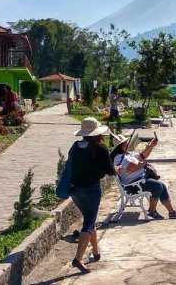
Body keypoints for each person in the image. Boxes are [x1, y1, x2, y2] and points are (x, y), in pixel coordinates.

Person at [69, 117, 116, 274]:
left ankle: (96, 251)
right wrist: (119, 168)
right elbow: (110, 171)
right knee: (89, 223)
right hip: (91, 189)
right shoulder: (100, 148)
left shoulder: (75, 146)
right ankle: (78, 258)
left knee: (90, 219)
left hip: (74, 190)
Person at [111, 133, 176, 221]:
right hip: (133, 185)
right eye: (125, 143)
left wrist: (151, 146)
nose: (127, 144)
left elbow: (142, 156)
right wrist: (143, 164)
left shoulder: (128, 154)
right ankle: (152, 210)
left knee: (162, 185)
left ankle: (171, 212)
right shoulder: (118, 158)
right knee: (157, 186)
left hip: (141, 180)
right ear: (120, 145)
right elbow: (133, 167)